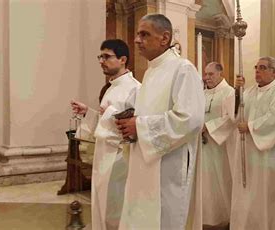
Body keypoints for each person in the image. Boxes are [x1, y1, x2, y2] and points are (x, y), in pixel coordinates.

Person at [115, 14, 205, 230]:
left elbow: (190, 118)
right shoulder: (150, 72)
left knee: (165, 219)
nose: (137, 40)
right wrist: (131, 126)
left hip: (168, 167)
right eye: (138, 34)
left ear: (164, 38)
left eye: (144, 34)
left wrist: (141, 126)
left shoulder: (183, 69)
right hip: (144, 161)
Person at [70, 39, 141, 230]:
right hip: (103, 155)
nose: (101, 60)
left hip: (120, 158)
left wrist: (108, 113)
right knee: (101, 203)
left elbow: (134, 128)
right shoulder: (111, 87)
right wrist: (88, 113)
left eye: (107, 56)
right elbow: (104, 122)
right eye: (100, 56)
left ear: (123, 59)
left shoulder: (135, 88)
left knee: (115, 208)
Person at [231, 56, 275, 230]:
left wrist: (250, 127)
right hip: (249, 153)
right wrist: (237, 91)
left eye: (263, 68)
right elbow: (235, 112)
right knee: (248, 194)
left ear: (274, 72)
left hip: (269, 155)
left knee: (266, 194)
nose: (257, 71)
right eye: (256, 67)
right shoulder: (250, 92)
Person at [201, 62, 234, 227]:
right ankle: (206, 217)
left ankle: (224, 217)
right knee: (205, 182)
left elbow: (231, 119)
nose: (207, 78)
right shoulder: (203, 93)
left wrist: (208, 127)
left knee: (221, 180)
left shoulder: (229, 93)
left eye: (211, 74)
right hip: (203, 145)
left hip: (221, 147)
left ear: (220, 74)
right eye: (205, 74)